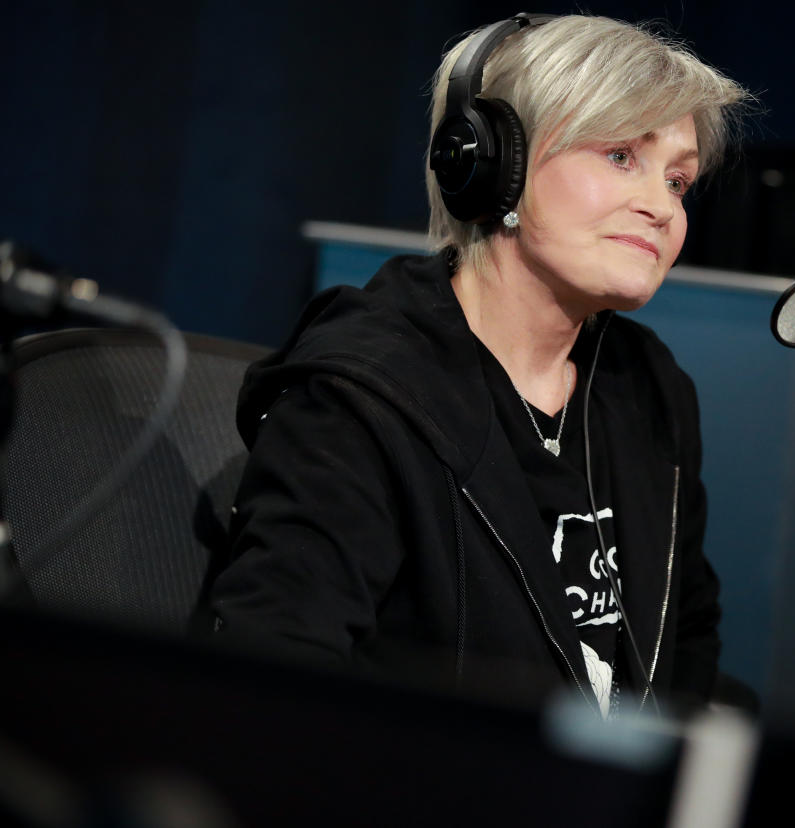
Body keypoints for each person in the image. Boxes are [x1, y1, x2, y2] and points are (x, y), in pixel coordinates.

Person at [208, 13, 750, 718]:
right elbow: (272, 685)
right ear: (492, 163)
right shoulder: (361, 397)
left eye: (679, 182)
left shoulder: (649, 387)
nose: (660, 208)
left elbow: (686, 653)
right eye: (621, 156)